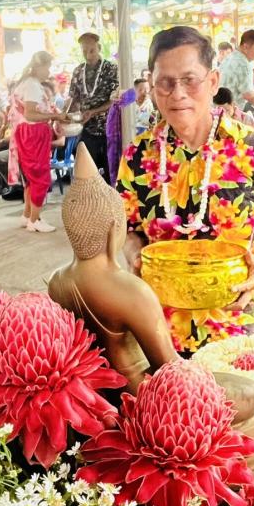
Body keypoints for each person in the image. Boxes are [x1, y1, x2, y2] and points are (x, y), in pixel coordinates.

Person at [117, 26, 254, 354]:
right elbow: (129, 227)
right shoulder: (137, 155)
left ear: (213, 81)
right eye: (165, 82)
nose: (177, 93)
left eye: (190, 80)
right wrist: (134, 257)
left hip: (237, 323)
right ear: (152, 85)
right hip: (160, 327)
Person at [48, 143, 178, 393]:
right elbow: (168, 365)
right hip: (137, 393)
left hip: (91, 392)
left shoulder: (57, 282)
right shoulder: (132, 291)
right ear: (113, 229)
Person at [12, 51, 68, 233]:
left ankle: (28, 215)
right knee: (41, 178)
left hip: (28, 133)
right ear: (39, 66)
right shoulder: (32, 85)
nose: (49, 71)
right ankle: (34, 220)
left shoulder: (26, 83)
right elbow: (30, 114)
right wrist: (55, 115)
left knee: (32, 178)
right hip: (33, 133)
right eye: (48, 67)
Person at [68, 33, 119, 183]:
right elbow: (74, 99)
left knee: (111, 172)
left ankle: (111, 197)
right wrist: (67, 116)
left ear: (99, 48)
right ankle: (91, 197)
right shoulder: (78, 71)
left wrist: (94, 112)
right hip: (87, 129)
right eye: (84, 51)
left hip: (109, 128)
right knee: (87, 174)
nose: (88, 55)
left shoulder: (111, 69)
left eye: (92, 50)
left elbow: (115, 100)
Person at [218, 30, 254, 112]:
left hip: (217, 110)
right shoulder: (244, 65)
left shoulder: (229, 57)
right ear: (246, 47)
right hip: (229, 113)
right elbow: (249, 94)